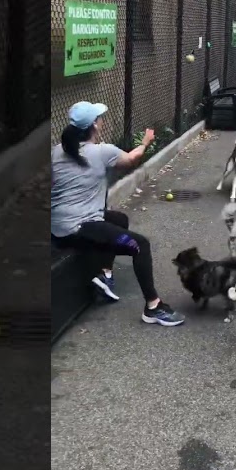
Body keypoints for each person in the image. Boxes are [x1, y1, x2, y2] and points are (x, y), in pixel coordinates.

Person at [51, 102, 183, 326]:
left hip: (58, 225)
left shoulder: (57, 150)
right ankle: (153, 307)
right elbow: (131, 159)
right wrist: (145, 143)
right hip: (79, 227)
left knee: (119, 220)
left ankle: (105, 274)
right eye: (100, 117)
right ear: (94, 124)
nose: (103, 120)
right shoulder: (102, 152)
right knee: (139, 245)